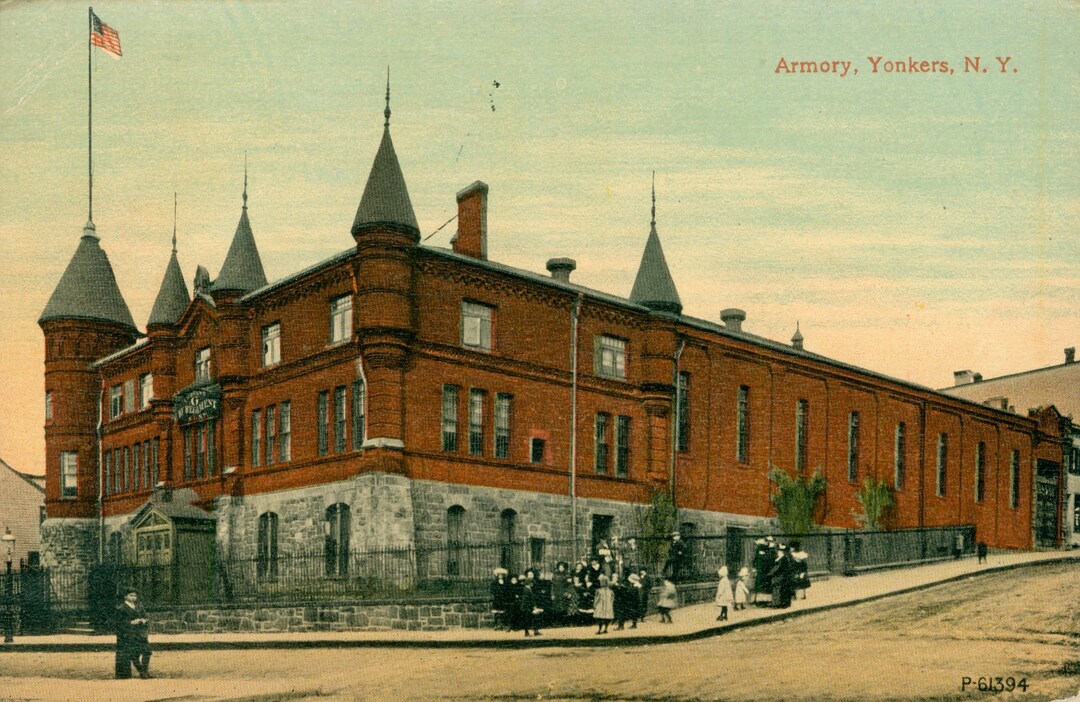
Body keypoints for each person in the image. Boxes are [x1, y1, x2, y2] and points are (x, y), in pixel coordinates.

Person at [114, 589, 151, 679]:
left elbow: (146, 617)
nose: (133, 597)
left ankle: (144, 670)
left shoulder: (139, 607)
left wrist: (144, 620)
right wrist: (131, 623)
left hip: (140, 634)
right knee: (133, 654)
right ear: (125, 596)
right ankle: (142, 672)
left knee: (147, 651)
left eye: (135, 595)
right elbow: (118, 623)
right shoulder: (121, 608)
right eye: (131, 595)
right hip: (129, 634)